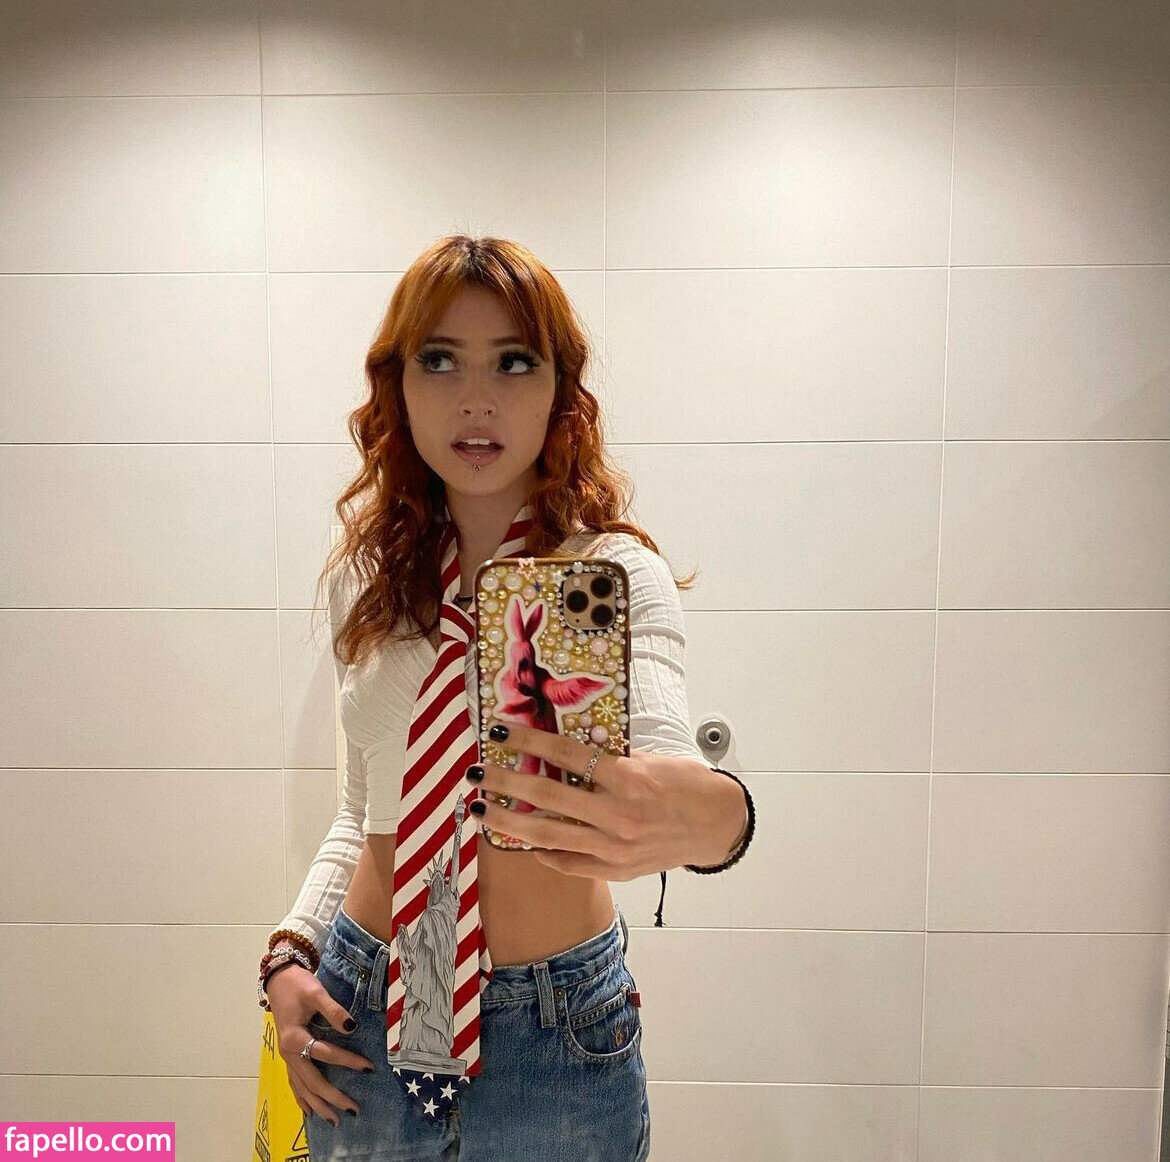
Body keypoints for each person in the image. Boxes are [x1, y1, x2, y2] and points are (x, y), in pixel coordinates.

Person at [257, 234, 755, 1161]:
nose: (476, 399)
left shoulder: (611, 574)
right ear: (398, 384)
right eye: (440, 359)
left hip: (556, 1032)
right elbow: (365, 810)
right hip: (365, 1007)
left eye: (513, 361)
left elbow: (677, 766)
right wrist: (289, 953)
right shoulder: (368, 575)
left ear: (559, 387)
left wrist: (712, 818)